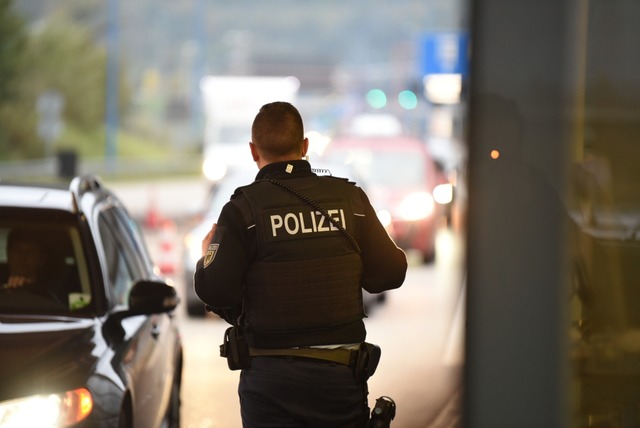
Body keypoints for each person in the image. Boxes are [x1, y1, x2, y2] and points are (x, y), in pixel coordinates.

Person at [194, 101, 408, 427]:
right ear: (305, 146)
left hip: (270, 382)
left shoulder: (243, 210)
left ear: (254, 151)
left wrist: (207, 255)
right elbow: (391, 273)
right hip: (340, 379)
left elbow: (214, 289)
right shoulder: (350, 200)